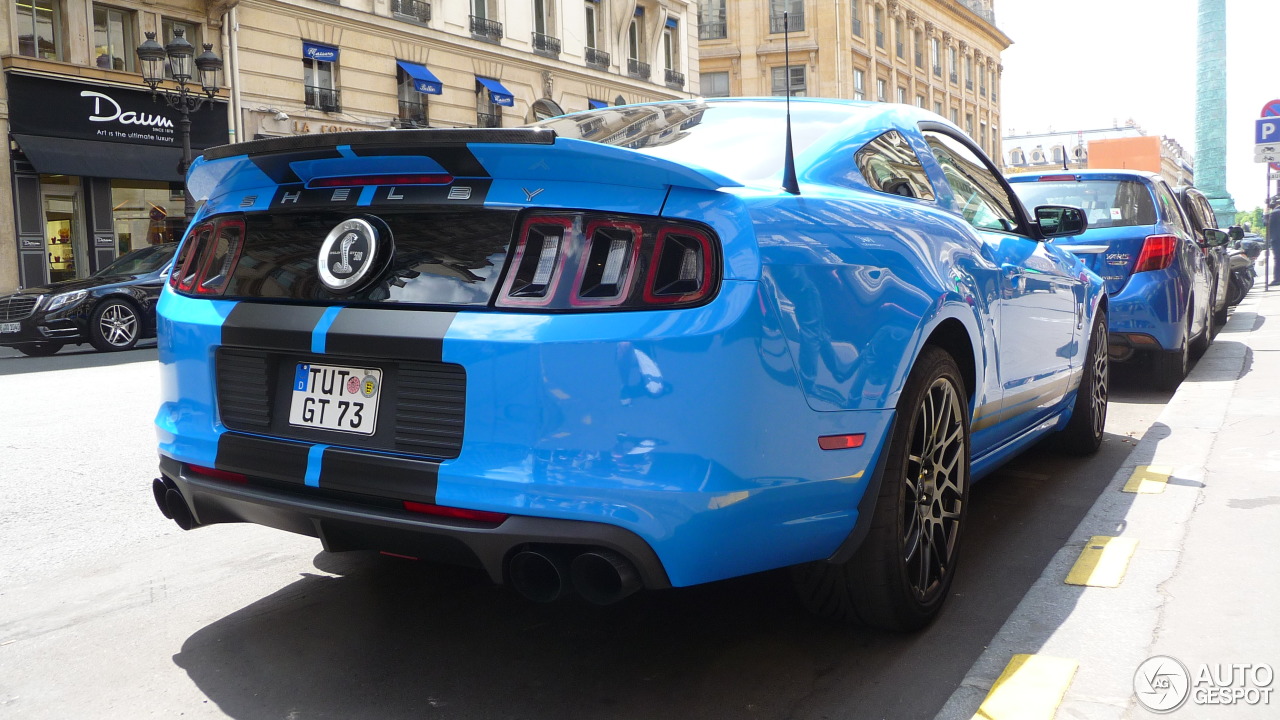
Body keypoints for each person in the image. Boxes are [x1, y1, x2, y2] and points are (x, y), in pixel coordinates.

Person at [1269, 198, 1280, 286]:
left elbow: (1265, 222)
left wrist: (1265, 212)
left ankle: (1277, 279)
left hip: (1277, 240)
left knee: (1277, 259)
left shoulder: (1274, 213)